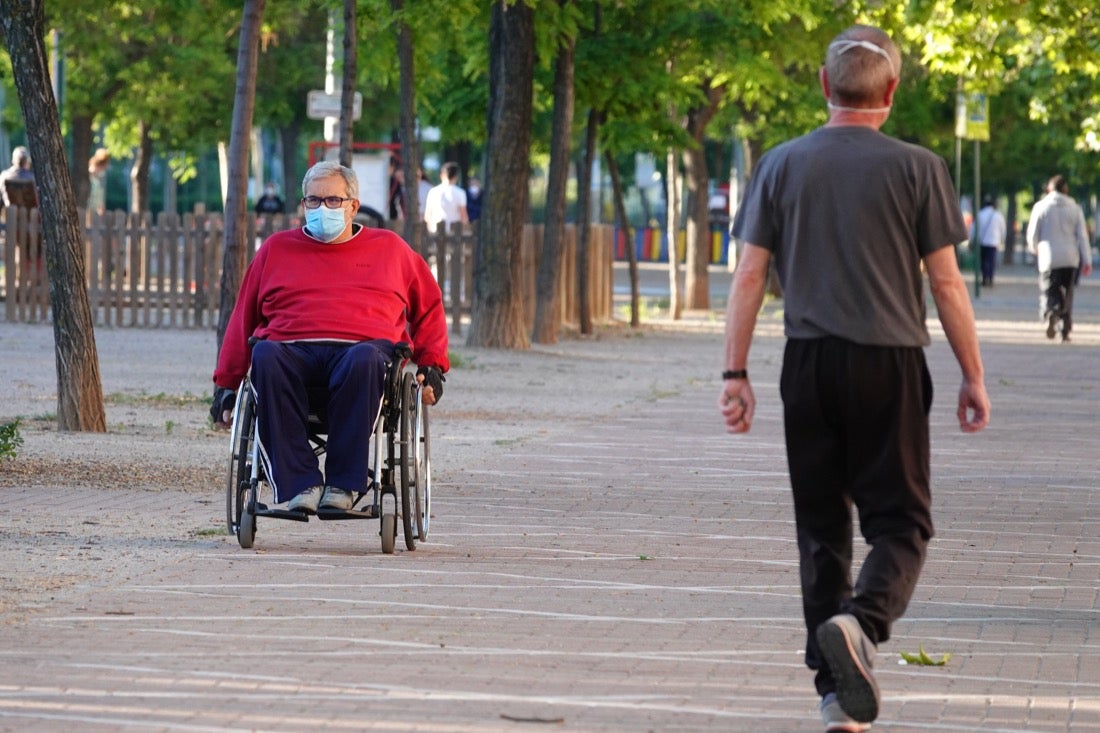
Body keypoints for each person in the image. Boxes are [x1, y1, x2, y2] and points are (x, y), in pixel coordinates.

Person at [718, 25, 990, 732]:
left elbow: (749, 274)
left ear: (822, 85)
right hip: (889, 362)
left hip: (806, 362)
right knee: (902, 520)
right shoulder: (920, 167)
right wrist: (973, 375)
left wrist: (734, 371)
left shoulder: (780, 164)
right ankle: (862, 624)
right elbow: (948, 284)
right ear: (892, 92)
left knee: (821, 528)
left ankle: (836, 696)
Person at [210, 161, 449, 515]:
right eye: (313, 201)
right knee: (265, 356)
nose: (323, 209)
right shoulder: (276, 249)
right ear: (303, 205)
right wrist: (227, 386)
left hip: (362, 352)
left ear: (353, 205)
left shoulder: (391, 249)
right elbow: (243, 317)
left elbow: (428, 306)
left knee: (364, 360)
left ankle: (342, 484)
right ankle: (299, 484)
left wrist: (432, 367)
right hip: (291, 351)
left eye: (333, 201)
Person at [1025, 175, 1093, 343]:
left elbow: (1032, 233)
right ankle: (1065, 329)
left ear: (1049, 189)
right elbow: (1082, 236)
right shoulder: (1075, 208)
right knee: (1068, 293)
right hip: (1070, 258)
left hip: (1048, 256)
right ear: (1066, 189)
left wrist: (1033, 248)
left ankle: (1052, 310)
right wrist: (1087, 260)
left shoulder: (1040, 207)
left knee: (1050, 289)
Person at [423, 161, 469, 234]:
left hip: (435, 230)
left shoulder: (433, 191)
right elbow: (463, 215)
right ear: (456, 177)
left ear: (442, 175)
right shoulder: (460, 193)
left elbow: (427, 215)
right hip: (454, 231)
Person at [970, 194, 1006, 287]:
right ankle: (990, 278)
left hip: (982, 241)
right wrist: (1002, 240)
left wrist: (971, 240)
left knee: (983, 261)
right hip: (993, 242)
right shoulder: (998, 215)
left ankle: (984, 278)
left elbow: (973, 228)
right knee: (991, 261)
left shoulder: (980, 214)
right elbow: (1003, 229)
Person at [87, 148, 110, 214]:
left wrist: (101, 205)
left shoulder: (100, 177)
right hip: (86, 209)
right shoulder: (89, 173)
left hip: (94, 212)